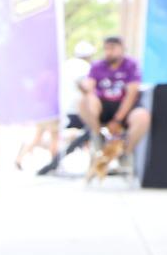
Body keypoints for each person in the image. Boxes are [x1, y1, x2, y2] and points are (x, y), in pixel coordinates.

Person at [79, 35, 149, 172]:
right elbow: (89, 88)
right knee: (84, 101)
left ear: (122, 49)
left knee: (143, 116)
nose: (108, 52)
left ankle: (125, 152)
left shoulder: (131, 65)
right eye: (106, 49)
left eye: (112, 48)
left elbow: (131, 94)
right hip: (102, 107)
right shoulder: (97, 66)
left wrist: (118, 120)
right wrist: (83, 88)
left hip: (125, 107)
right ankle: (97, 134)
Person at [24, 40, 94, 173]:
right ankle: (55, 163)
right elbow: (85, 88)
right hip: (75, 109)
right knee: (86, 135)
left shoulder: (64, 66)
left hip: (58, 108)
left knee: (46, 136)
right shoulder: (85, 67)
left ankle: (26, 158)